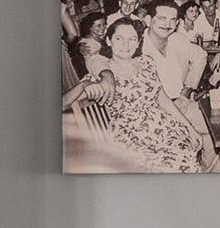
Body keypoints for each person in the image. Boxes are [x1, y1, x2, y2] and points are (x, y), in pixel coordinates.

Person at [62, 16, 207, 172]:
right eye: (119, 38)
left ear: (138, 43)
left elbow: (162, 99)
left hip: (165, 130)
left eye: (132, 39)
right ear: (109, 40)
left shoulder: (147, 62)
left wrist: (189, 127)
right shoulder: (103, 75)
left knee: (189, 163)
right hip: (132, 137)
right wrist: (84, 85)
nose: (126, 45)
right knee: (177, 168)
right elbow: (63, 103)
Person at [141, 0, 218, 168]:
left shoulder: (176, 39)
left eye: (172, 20)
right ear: (148, 20)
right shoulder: (137, 45)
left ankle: (209, 176)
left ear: (177, 23)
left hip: (183, 102)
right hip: (155, 113)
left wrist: (189, 88)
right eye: (161, 18)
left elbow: (201, 55)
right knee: (185, 142)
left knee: (217, 132)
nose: (167, 24)